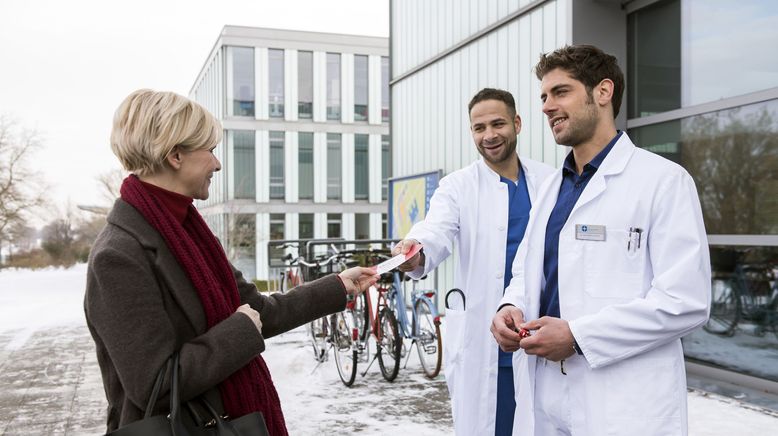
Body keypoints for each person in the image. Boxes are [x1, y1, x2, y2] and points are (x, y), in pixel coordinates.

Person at [84, 89, 379, 436]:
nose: (217, 164)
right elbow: (155, 385)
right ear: (175, 155)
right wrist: (239, 329)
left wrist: (337, 285)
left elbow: (258, 311)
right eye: (209, 151)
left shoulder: (186, 234)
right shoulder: (118, 257)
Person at [490, 45, 711, 436]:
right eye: (543, 96)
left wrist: (577, 336)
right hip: (546, 390)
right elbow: (528, 270)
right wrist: (512, 306)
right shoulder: (550, 189)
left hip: (623, 398)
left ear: (603, 92)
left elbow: (685, 301)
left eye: (560, 92)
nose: (546, 106)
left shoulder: (663, 181)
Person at [393, 88, 555, 436]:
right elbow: (435, 230)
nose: (489, 135)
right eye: (479, 128)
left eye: (498, 124)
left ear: (517, 123)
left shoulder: (549, 181)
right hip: (489, 345)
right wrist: (414, 251)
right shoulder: (457, 187)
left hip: (543, 334)